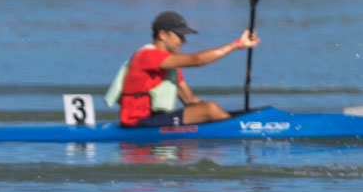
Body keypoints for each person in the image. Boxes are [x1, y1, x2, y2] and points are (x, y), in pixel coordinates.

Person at [104, 11, 260, 126]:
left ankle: (238, 125)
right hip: (139, 122)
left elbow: (189, 100)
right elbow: (197, 60)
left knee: (210, 109)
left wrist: (237, 115)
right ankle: (238, 129)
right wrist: (237, 44)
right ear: (163, 35)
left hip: (155, 119)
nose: (183, 41)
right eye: (180, 35)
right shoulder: (148, 55)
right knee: (210, 109)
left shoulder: (170, 64)